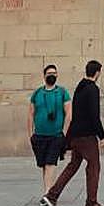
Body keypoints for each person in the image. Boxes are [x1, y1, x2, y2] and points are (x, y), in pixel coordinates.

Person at [41, 60, 104, 206]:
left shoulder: (80, 87)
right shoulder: (92, 89)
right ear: (97, 73)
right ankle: (91, 202)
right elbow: (94, 115)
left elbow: (75, 113)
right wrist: (102, 136)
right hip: (86, 136)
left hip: (76, 135)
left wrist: (68, 138)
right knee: (94, 166)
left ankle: (51, 195)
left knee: (73, 166)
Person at [30, 64, 73, 193]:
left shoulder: (62, 93)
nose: (52, 76)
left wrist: (64, 132)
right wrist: (30, 134)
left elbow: (69, 113)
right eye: (49, 74)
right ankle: (48, 190)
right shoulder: (37, 93)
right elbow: (30, 114)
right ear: (44, 76)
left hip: (56, 135)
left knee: (51, 163)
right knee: (44, 164)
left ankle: (48, 193)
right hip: (39, 135)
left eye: (54, 73)